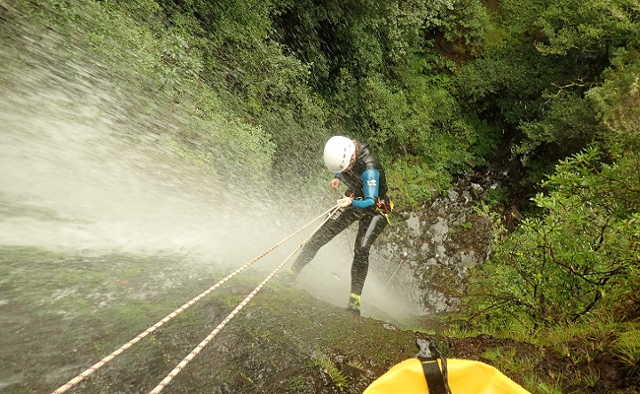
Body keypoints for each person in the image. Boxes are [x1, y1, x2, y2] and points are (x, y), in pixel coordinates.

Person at [290, 136, 393, 315]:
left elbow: (370, 201)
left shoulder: (370, 169)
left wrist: (350, 203)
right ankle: (292, 273)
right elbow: (342, 167)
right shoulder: (344, 149)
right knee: (322, 233)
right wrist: (338, 176)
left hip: (375, 207)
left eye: (344, 169)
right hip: (353, 198)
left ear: (352, 158)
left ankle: (354, 301)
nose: (343, 171)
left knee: (361, 249)